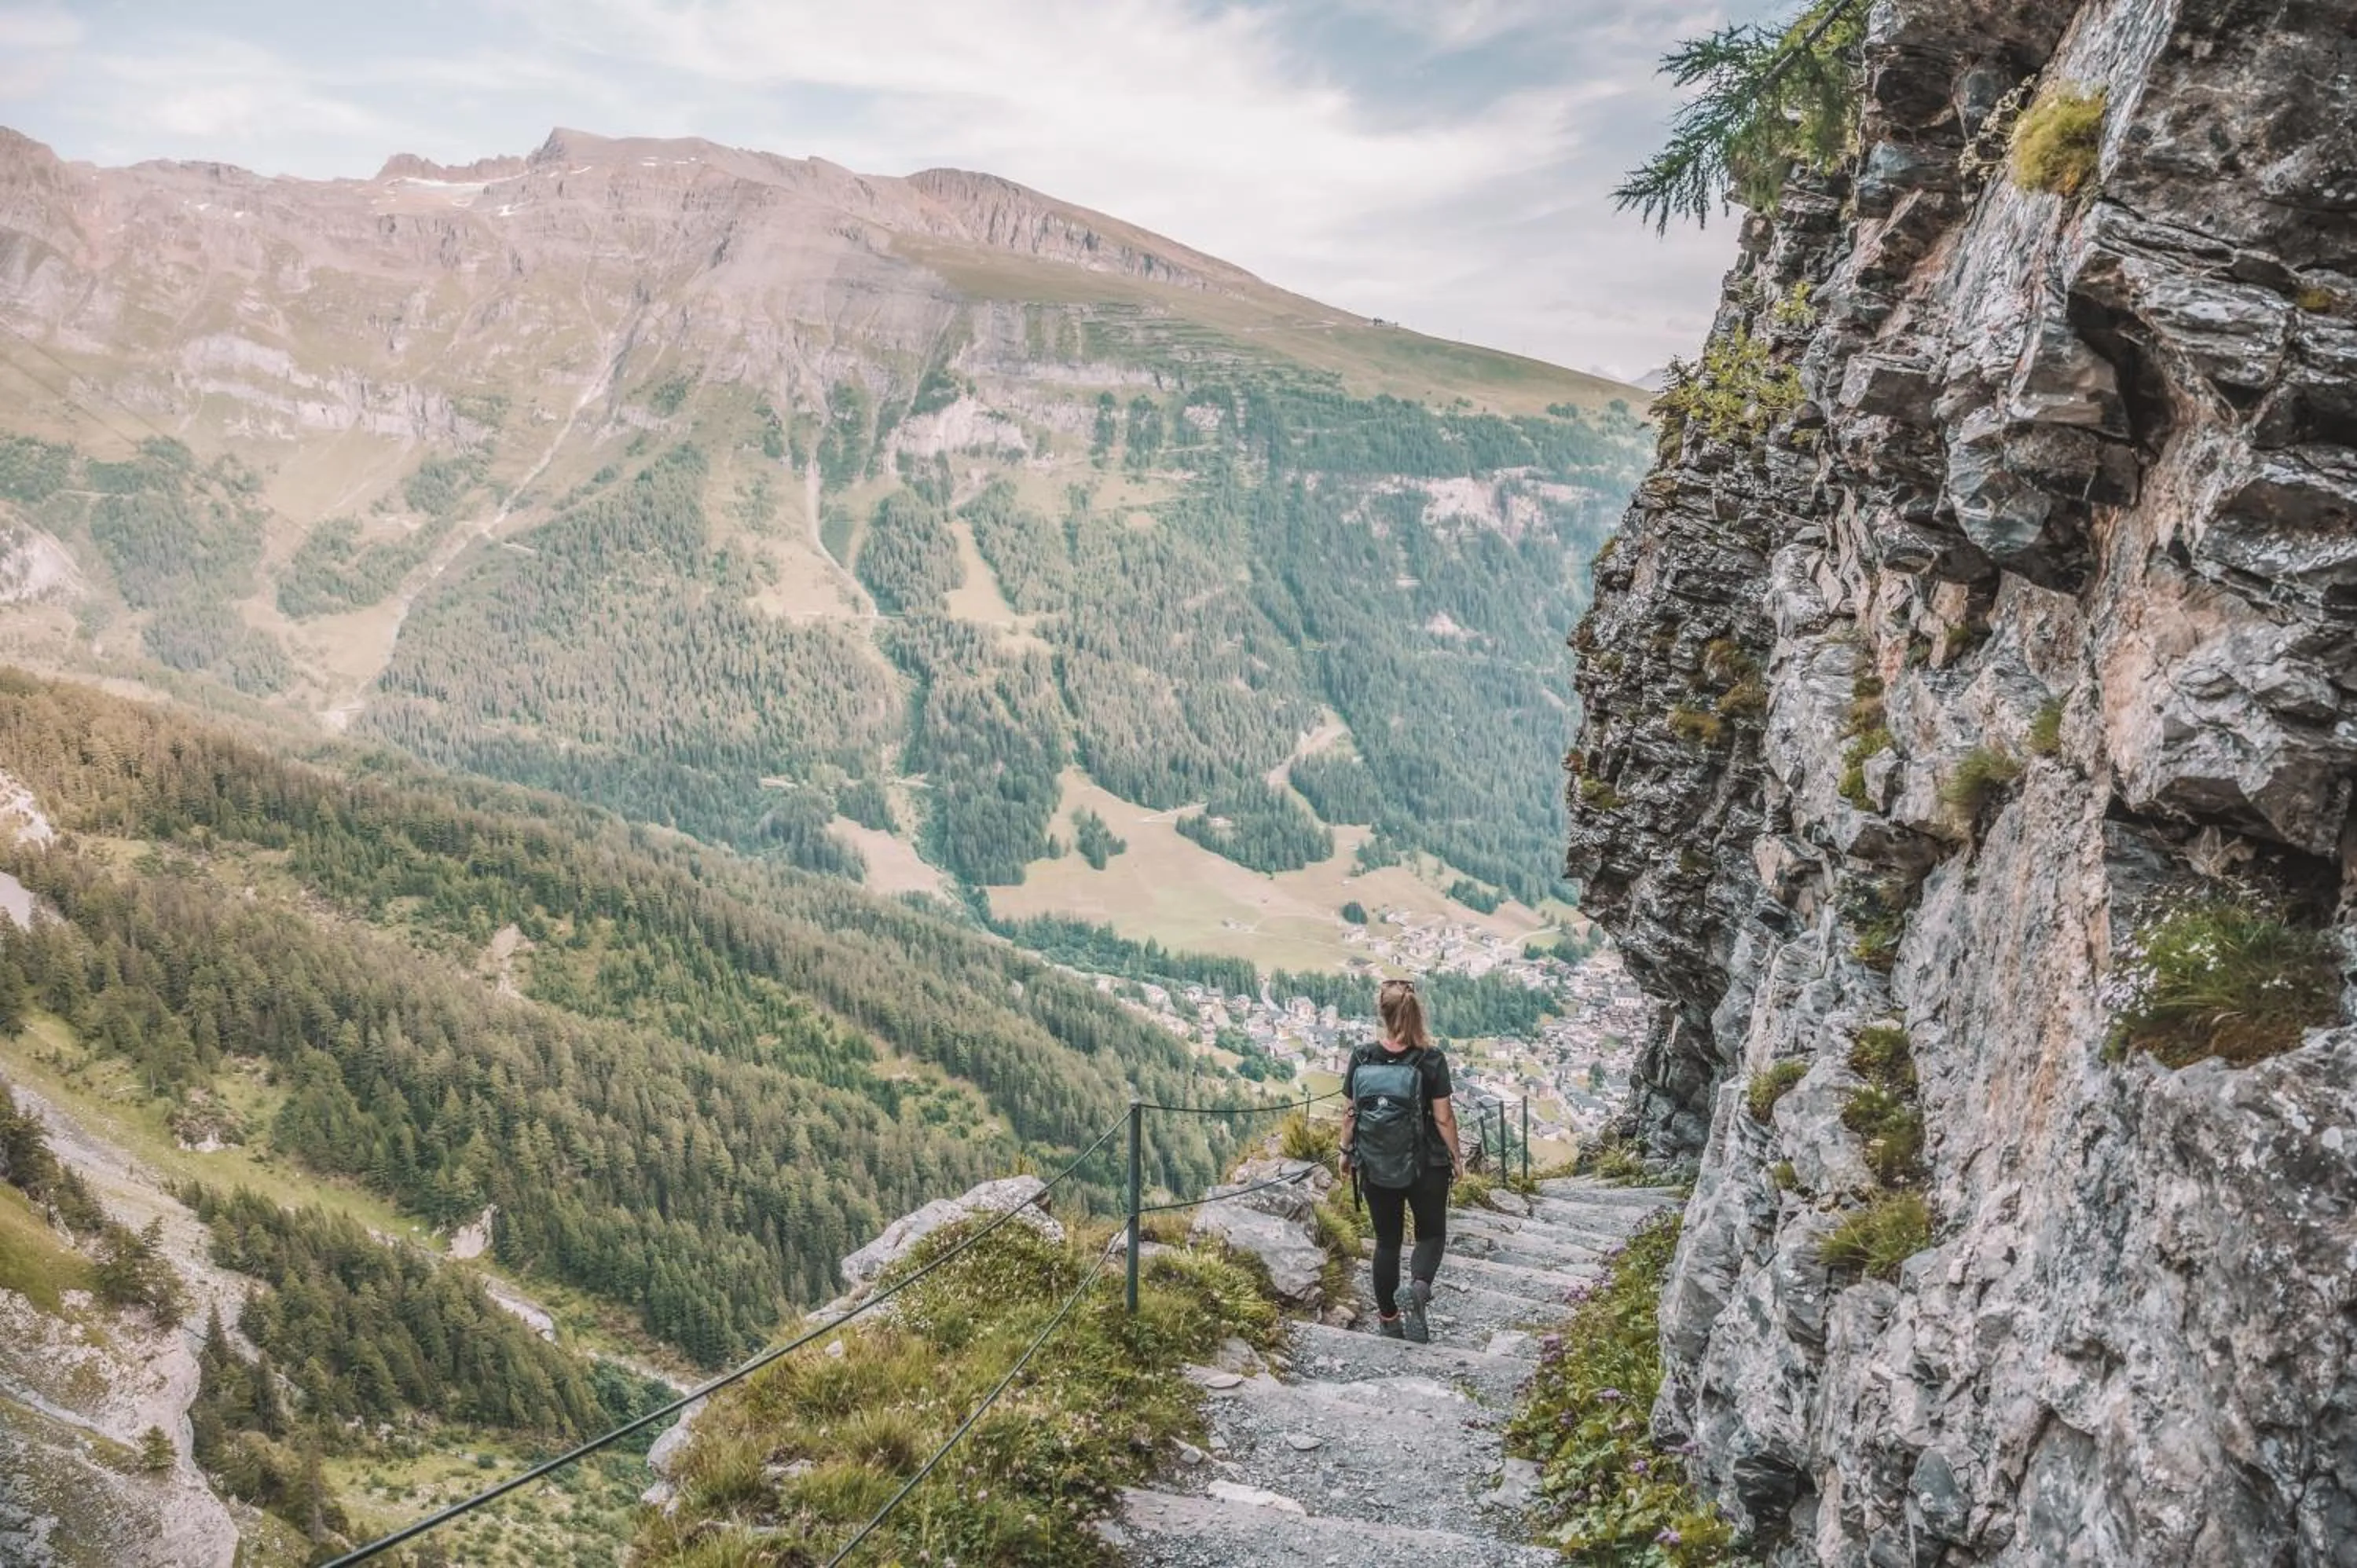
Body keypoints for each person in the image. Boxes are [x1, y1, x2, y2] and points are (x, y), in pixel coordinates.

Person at [1337, 978, 1463, 1343]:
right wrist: (1456, 1157)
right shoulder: (1431, 1058)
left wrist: (1345, 1152)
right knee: (1431, 1233)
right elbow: (1443, 1118)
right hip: (1427, 1164)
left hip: (1377, 1162)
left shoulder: (1363, 1056)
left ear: (1382, 1013)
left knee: (1387, 1242)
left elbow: (1350, 1114)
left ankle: (1389, 1321)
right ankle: (1419, 1290)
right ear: (1416, 1012)